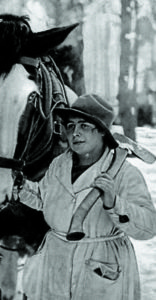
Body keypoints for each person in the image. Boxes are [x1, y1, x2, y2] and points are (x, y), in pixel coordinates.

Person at [15, 94, 156, 300]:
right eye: (70, 126)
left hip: (101, 265)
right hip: (56, 260)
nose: (75, 133)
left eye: (84, 126)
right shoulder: (59, 164)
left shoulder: (124, 173)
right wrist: (20, 187)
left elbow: (149, 226)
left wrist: (114, 203)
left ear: (101, 131)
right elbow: (44, 199)